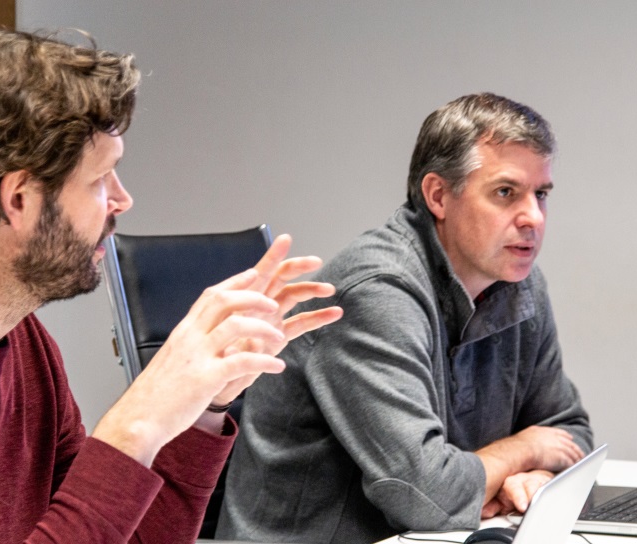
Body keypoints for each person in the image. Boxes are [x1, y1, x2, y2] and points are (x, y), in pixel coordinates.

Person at [0, 28, 342, 543]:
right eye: (99, 179)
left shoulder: (24, 340)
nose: (121, 199)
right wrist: (137, 420)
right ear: (17, 198)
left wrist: (204, 405)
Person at [217, 92, 593, 543]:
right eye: (505, 193)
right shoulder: (376, 290)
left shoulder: (520, 284)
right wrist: (523, 449)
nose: (533, 217)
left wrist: (532, 479)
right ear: (438, 195)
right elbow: (426, 495)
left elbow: (571, 432)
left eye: (542, 194)